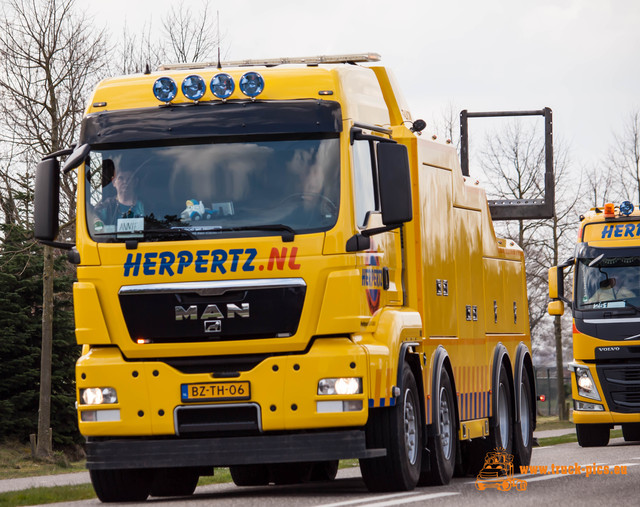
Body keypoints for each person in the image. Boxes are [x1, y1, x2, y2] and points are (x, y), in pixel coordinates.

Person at [93, 159, 144, 229]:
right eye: (121, 178)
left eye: (129, 178)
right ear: (114, 182)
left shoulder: (144, 205)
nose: (125, 182)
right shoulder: (107, 206)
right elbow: (91, 215)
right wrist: (96, 220)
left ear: (135, 182)